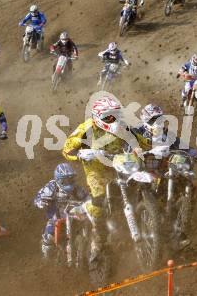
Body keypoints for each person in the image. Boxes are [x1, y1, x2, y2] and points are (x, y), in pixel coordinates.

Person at [62, 96, 129, 261]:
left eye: (117, 115)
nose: (115, 119)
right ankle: (98, 238)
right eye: (111, 115)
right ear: (99, 116)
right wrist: (79, 154)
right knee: (99, 201)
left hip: (120, 169)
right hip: (96, 172)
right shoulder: (87, 128)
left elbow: (141, 141)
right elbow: (67, 149)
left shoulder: (123, 129)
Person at [34, 163, 88, 259]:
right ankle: (47, 259)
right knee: (49, 236)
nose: (69, 182)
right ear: (59, 180)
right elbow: (38, 197)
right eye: (66, 180)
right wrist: (41, 201)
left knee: (87, 228)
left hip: (74, 215)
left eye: (71, 180)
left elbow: (86, 198)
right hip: (57, 217)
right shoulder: (52, 186)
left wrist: (90, 203)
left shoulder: (76, 188)